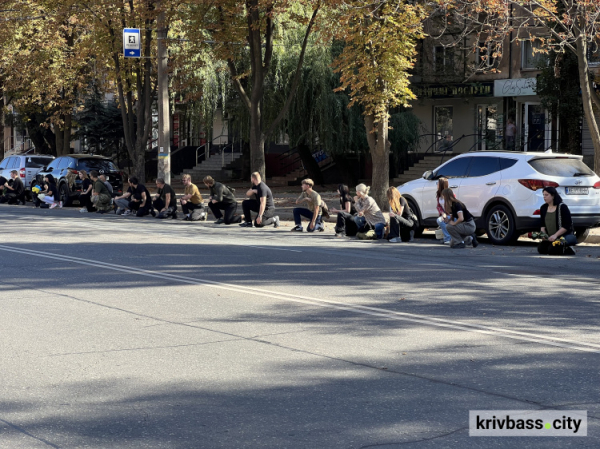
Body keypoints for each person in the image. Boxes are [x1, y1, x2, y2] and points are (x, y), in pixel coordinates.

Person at [537, 186, 577, 255]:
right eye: (543, 195)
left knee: (553, 250)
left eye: (546, 195)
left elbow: (567, 225)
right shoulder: (543, 208)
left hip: (562, 236)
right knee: (541, 249)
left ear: (553, 196)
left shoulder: (562, 207)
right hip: (550, 237)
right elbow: (542, 224)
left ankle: (568, 248)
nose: (544, 197)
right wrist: (543, 234)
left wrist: (555, 235)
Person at [436, 177, 452, 244]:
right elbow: (438, 206)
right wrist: (443, 213)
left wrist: (447, 214)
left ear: (442, 185)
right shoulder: (438, 194)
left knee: (442, 220)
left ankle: (448, 238)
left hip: (451, 215)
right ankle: (448, 237)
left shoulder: (449, 194)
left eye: (438, 183)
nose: (436, 184)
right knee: (439, 220)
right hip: (445, 214)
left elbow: (453, 206)